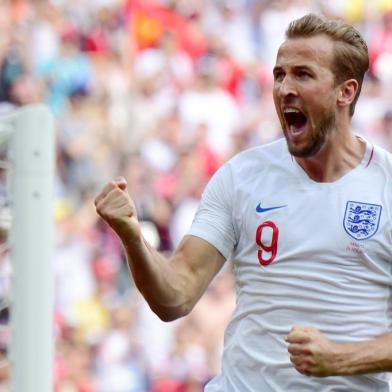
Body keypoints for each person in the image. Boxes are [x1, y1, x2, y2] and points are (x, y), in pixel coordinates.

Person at [94, 13, 392, 391]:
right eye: (279, 74)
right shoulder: (241, 177)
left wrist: (340, 358)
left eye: (303, 74)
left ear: (345, 92)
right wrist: (132, 237)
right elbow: (175, 296)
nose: (285, 88)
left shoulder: (386, 185)